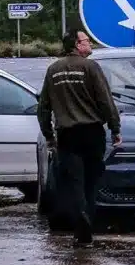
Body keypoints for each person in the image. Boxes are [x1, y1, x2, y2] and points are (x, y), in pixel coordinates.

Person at [38, 29, 122, 244]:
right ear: (76, 44)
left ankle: (80, 221)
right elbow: (105, 100)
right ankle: (87, 221)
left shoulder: (53, 70)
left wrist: (48, 135)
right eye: (86, 41)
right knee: (91, 182)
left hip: (66, 134)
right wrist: (115, 128)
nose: (90, 44)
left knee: (74, 182)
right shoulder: (90, 67)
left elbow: (44, 108)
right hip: (92, 132)